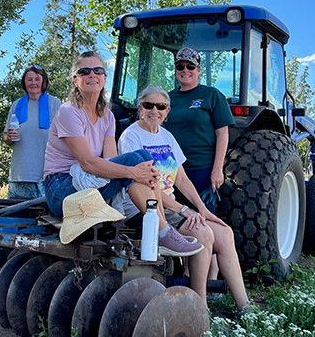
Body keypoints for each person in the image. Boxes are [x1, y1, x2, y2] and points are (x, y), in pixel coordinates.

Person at [43, 51, 203, 257]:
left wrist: (133, 171)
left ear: (104, 78)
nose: (92, 75)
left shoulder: (107, 116)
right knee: (136, 161)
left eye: (98, 70)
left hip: (90, 186)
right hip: (62, 189)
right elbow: (88, 164)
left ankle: (163, 231)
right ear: (75, 80)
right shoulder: (69, 112)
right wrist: (133, 173)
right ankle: (164, 232)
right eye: (85, 71)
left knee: (142, 158)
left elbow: (111, 162)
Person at [118, 85, 248, 311]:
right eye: (149, 105)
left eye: (161, 107)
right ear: (140, 108)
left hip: (170, 206)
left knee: (225, 234)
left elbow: (182, 180)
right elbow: (152, 187)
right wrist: (184, 210)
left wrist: (201, 208)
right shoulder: (131, 137)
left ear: (167, 111)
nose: (154, 111)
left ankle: (245, 307)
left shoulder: (167, 136)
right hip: (144, 210)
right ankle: (199, 307)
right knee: (202, 233)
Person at [166, 47, 236, 284]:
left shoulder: (211, 95)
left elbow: (222, 134)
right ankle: (185, 274)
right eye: (180, 66)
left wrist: (217, 169)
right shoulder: (167, 100)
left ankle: (210, 278)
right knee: (183, 223)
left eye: (190, 66)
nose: (185, 70)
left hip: (201, 170)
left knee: (205, 222)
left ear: (198, 69)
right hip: (172, 172)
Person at [2, 64, 61, 199]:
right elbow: (6, 137)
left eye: (37, 79)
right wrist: (9, 137)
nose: (33, 83)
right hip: (19, 177)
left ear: (43, 81)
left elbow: (64, 138)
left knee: (44, 218)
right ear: (24, 82)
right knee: (16, 219)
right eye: (29, 79)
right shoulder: (17, 105)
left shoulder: (54, 104)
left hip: (46, 178)